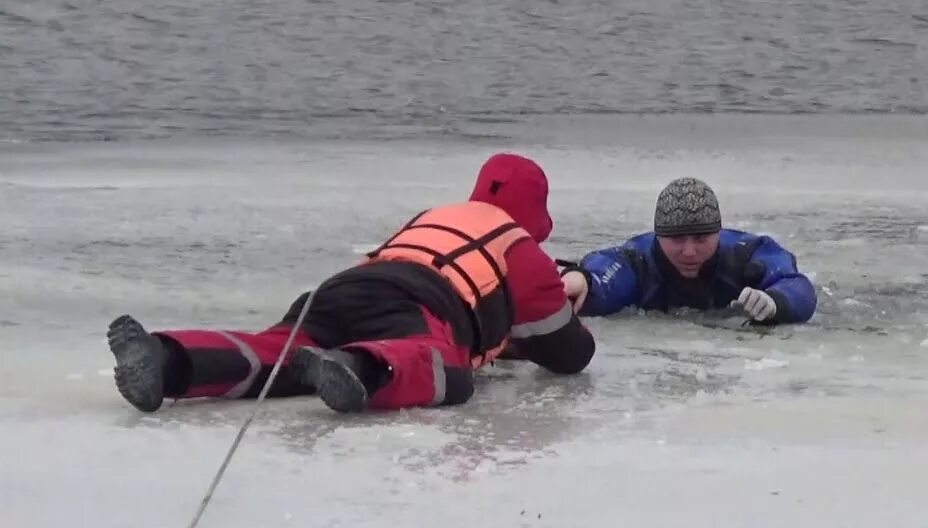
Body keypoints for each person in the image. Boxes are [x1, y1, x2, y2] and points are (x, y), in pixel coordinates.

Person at [107, 153, 596, 415]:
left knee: (279, 351)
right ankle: (361, 366)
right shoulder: (521, 247)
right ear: (536, 214)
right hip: (416, 303)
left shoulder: (436, 216)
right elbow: (568, 354)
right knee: (446, 368)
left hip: (341, 289)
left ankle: (167, 358)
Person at [558, 177, 817, 325]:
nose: (690, 251)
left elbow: (796, 285)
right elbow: (606, 272)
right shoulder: (638, 260)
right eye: (677, 239)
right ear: (658, 235)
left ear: (718, 232)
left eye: (702, 238)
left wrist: (776, 303)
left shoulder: (745, 253)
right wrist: (583, 280)